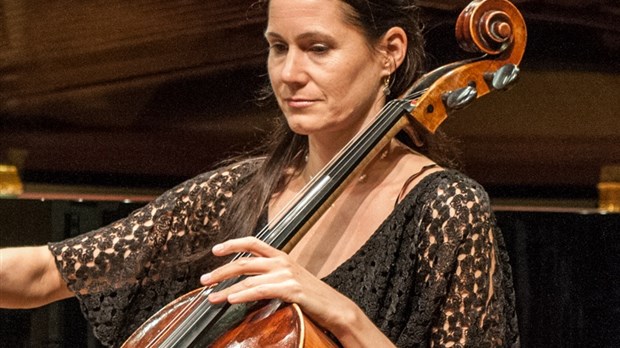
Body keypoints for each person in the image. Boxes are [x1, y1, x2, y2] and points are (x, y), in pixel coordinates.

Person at [0, 0, 520, 346]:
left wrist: (342, 314)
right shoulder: (241, 189)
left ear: (390, 52)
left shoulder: (446, 210)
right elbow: (43, 273)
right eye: (278, 47)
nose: (290, 73)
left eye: (318, 48)